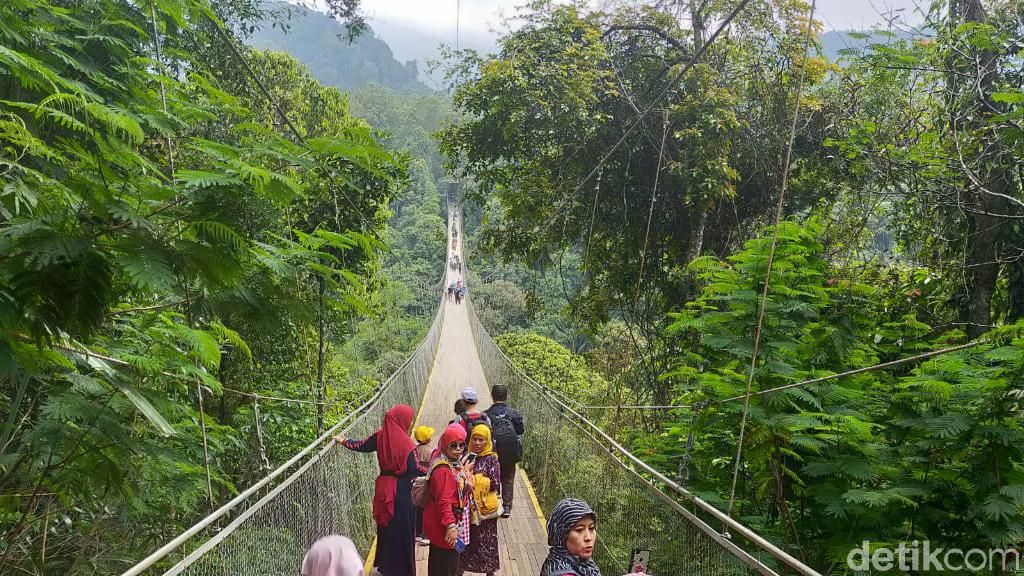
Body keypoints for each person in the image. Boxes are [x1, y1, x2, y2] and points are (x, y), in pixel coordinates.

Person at [335, 405, 420, 576]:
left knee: (385, 527)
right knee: (403, 530)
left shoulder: (380, 436)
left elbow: (361, 445)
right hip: (402, 493)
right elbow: (415, 469)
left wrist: (344, 441)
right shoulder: (408, 445)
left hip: (384, 489)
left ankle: (385, 566)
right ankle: (402, 570)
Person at [424, 424, 469, 576]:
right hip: (443, 529)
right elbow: (444, 501)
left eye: (461, 445)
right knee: (446, 567)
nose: (458, 449)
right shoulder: (443, 471)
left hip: (440, 527)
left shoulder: (448, 462)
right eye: (453, 445)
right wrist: (450, 526)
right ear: (444, 445)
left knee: (439, 566)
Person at [458, 424, 501, 576]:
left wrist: (473, 479)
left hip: (484, 511)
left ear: (487, 441)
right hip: (468, 510)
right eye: (474, 439)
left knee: (487, 543)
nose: (476, 443)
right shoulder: (466, 457)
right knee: (466, 542)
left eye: (481, 440)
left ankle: (489, 572)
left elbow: (495, 483)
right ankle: (460, 570)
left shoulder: (492, 459)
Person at [484, 384, 524, 518]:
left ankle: (495, 503)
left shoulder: (486, 416)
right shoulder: (514, 414)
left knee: (493, 476)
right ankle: (506, 507)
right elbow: (520, 431)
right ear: (506, 396)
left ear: (492, 396)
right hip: (510, 453)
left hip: (493, 452)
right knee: (508, 478)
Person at [540, 499, 600, 576]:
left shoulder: (579, 564)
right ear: (562, 535)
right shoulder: (564, 573)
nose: (588, 537)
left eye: (591, 528)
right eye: (579, 530)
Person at [414, 425, 436, 546]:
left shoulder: (415, 451)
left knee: (418, 508)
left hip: (416, 483)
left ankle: (417, 533)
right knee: (427, 508)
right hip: (427, 483)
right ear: (428, 439)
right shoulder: (430, 451)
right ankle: (426, 534)